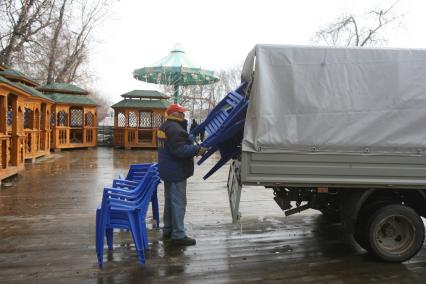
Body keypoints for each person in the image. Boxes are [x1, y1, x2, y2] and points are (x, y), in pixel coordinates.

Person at [157, 103, 207, 246]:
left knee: (170, 201)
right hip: (176, 170)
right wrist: (196, 149)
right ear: (176, 115)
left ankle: (168, 229)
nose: (184, 115)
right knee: (179, 202)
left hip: (167, 169)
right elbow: (179, 150)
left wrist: (189, 138)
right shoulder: (175, 129)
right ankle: (178, 235)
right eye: (182, 113)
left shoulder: (165, 126)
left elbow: (174, 145)